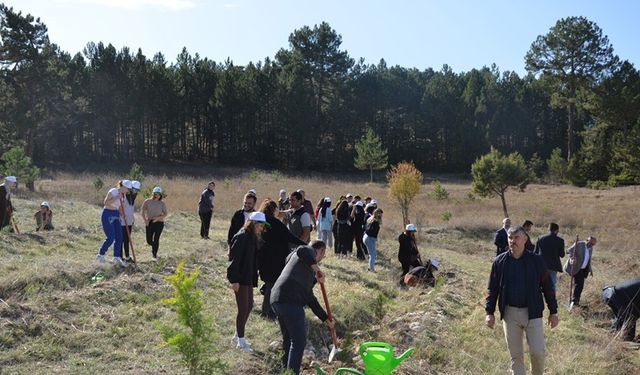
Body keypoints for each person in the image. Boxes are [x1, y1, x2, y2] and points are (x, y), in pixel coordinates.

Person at [485, 226, 559, 375]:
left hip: (533, 313)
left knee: (537, 352)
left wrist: (553, 311)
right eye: (510, 238)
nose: (512, 241)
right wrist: (489, 312)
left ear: (525, 239)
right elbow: (492, 288)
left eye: (516, 237)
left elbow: (548, 287)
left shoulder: (536, 261)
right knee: (516, 356)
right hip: (510, 314)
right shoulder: (500, 262)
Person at [270, 240, 334, 375]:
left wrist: (325, 318)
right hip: (290, 302)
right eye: (323, 255)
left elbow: (309, 297)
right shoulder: (306, 251)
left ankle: (286, 372)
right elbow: (302, 250)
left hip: (277, 299)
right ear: (320, 251)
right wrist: (317, 269)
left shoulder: (301, 264)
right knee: (299, 342)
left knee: (289, 340)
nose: (321, 258)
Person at [258, 199, 306, 320]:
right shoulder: (275, 223)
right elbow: (290, 237)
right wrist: (305, 245)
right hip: (276, 259)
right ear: (274, 210)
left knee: (269, 283)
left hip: (264, 258)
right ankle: (269, 312)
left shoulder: (261, 222)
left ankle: (266, 310)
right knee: (272, 285)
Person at [227, 211, 267, 352]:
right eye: (261, 225)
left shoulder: (252, 237)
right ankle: (241, 342)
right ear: (254, 223)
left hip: (248, 277)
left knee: (249, 306)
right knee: (243, 308)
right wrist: (234, 280)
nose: (262, 229)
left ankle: (237, 336)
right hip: (240, 278)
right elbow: (233, 260)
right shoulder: (242, 237)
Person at [96, 180, 132, 267]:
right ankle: (100, 255)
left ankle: (116, 257)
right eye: (127, 188)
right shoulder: (113, 191)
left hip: (116, 214)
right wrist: (116, 197)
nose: (128, 191)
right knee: (111, 237)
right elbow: (106, 203)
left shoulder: (123, 196)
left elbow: (119, 207)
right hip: (108, 213)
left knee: (119, 237)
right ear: (123, 187)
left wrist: (123, 215)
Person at [564, 236, 597, 308]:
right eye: (590, 243)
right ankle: (574, 302)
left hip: (583, 270)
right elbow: (569, 251)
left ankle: (575, 302)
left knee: (580, 286)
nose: (591, 245)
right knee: (578, 285)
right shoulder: (579, 244)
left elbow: (588, 259)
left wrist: (590, 270)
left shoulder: (590, 248)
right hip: (576, 268)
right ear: (586, 240)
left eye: (593, 244)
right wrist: (572, 258)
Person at [534, 223, 565, 291]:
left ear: (549, 229)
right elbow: (562, 255)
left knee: (539, 283)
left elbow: (535, 252)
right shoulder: (560, 240)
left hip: (541, 265)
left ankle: (538, 299)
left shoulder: (540, 238)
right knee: (552, 285)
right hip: (553, 266)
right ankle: (552, 300)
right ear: (557, 230)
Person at [141, 187, 168, 261]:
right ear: (153, 194)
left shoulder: (162, 203)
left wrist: (157, 218)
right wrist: (145, 220)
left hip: (159, 223)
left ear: (160, 195)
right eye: (155, 194)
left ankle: (154, 254)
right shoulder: (147, 201)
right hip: (150, 222)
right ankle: (155, 246)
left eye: (158, 194)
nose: (157, 195)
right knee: (149, 240)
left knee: (156, 238)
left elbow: (165, 214)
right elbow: (142, 211)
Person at [120, 180, 140, 262]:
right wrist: (122, 215)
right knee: (120, 240)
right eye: (135, 190)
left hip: (129, 222)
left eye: (137, 190)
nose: (136, 192)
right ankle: (119, 257)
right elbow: (119, 207)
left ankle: (127, 257)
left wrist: (132, 219)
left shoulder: (132, 198)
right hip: (122, 221)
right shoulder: (123, 196)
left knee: (127, 240)